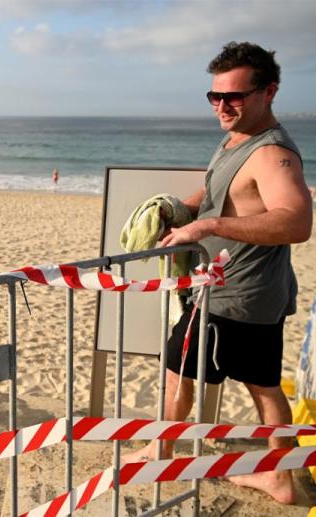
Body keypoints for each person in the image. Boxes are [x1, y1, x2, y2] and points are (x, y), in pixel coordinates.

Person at [124, 42, 312, 505]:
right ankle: (282, 477)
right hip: (249, 293)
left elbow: (297, 221)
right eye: (214, 97)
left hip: (231, 294)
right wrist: (182, 210)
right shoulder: (236, 138)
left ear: (268, 92)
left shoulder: (273, 155)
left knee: (177, 371)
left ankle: (162, 449)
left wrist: (208, 226)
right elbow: (217, 191)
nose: (222, 106)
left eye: (234, 97)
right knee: (264, 385)